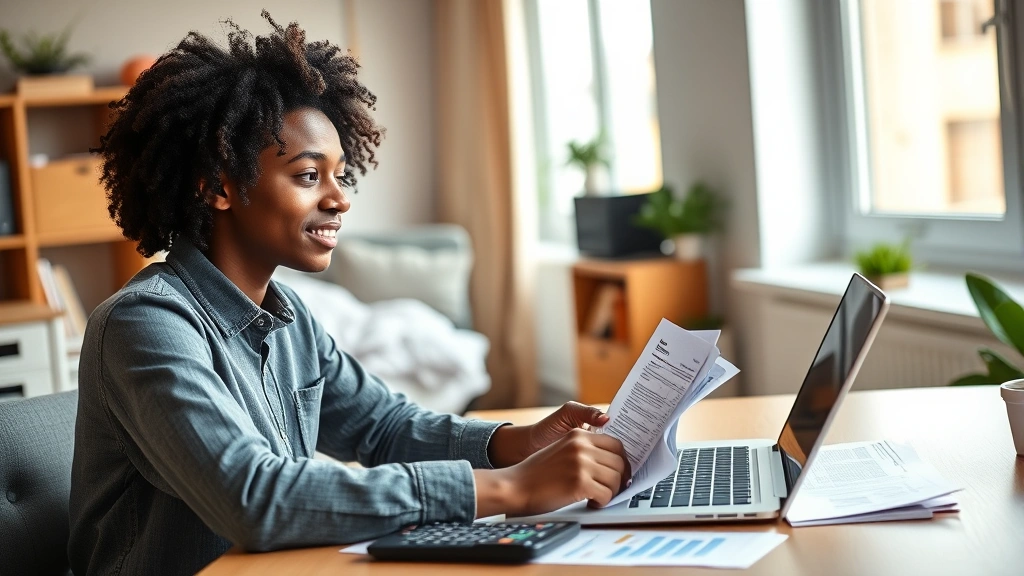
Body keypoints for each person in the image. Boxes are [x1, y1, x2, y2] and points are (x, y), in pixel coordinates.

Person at [68, 12, 628, 575]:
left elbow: (382, 427)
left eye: (340, 175)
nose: (340, 199)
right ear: (218, 186)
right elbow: (255, 498)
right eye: (309, 176)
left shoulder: (289, 319)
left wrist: (519, 443)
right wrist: (511, 489)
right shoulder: (146, 324)